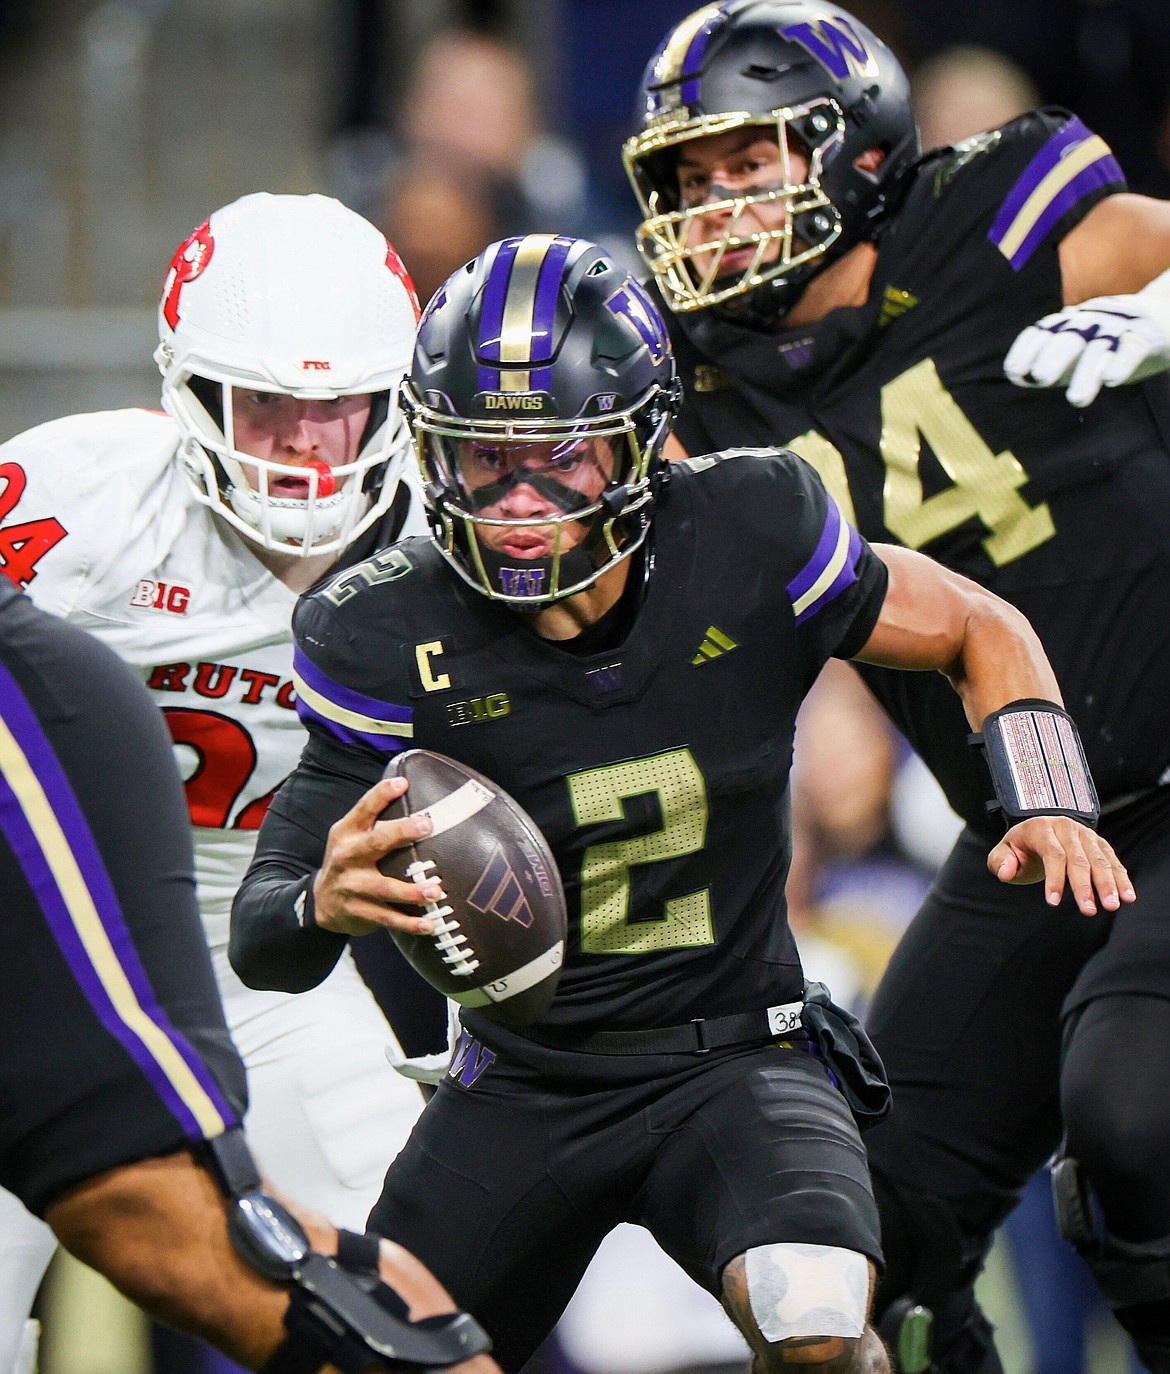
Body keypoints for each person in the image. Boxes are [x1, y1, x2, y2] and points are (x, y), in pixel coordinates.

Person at [229, 234, 1131, 1374]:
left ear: (643, 440)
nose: (515, 499)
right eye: (481, 455)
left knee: (813, 1315)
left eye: (559, 456)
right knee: (375, 1357)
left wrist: (1047, 799)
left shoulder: (749, 527)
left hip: (740, 1058)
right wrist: (321, 901)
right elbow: (263, 939)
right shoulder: (381, 626)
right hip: (523, 1084)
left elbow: (975, 623)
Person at [620, 2, 1170, 1369]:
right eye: (691, 176)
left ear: (855, 150)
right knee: (844, 1256)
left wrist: (1160, 312)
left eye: (748, 163)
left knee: (1133, 1113)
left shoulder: (990, 228)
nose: (715, 205)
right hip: (1028, 829)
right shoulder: (697, 385)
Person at [0, 190, 436, 1373]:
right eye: (269, 405)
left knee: (409, 1279)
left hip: (255, 952)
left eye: (337, 407)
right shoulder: (79, 502)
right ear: (193, 393)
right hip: (37, 947)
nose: (303, 444)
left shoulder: (447, 539)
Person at [0, 575, 498, 1374]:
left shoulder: (441, 548)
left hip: (235, 963)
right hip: (96, 940)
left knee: (391, 1288)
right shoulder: (74, 519)